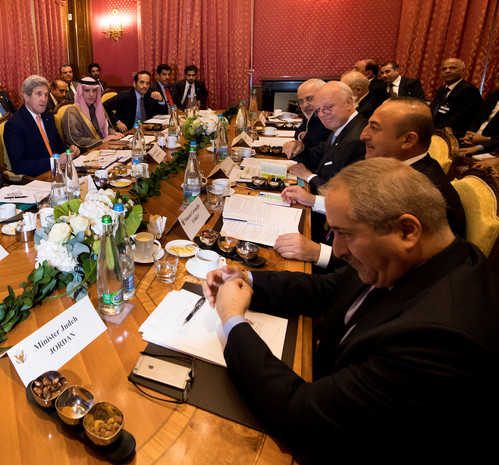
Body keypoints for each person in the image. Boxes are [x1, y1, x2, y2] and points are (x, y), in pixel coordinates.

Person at [203, 158, 499, 464]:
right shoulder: (424, 254)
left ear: (407, 230)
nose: (338, 250)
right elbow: (327, 288)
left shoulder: (440, 341)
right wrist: (246, 278)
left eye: (345, 234)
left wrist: (233, 320)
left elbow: (302, 418)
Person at [275, 97, 467, 268]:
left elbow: (387, 266)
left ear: (408, 140)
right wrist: (313, 201)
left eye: (374, 128)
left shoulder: (425, 197)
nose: (363, 135)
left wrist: (318, 253)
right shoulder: (394, 167)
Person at [287, 81, 366, 194]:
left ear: (349, 103)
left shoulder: (358, 139)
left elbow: (347, 194)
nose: (322, 114)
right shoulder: (342, 127)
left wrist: (309, 177)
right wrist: (300, 149)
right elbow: (318, 157)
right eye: (318, 110)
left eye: (328, 107)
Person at [3, 75, 80, 176]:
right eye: (39, 94)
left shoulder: (48, 117)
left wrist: (70, 151)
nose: (44, 99)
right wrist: (55, 161)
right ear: (26, 96)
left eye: (46, 95)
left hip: (60, 172)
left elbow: (59, 147)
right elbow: (19, 166)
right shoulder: (14, 124)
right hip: (37, 178)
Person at [62, 77, 123, 150]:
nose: (91, 94)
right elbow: (76, 140)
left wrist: (113, 133)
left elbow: (107, 127)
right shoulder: (72, 112)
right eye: (87, 90)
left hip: (104, 147)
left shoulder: (98, 108)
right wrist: (101, 142)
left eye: (94, 91)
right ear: (80, 92)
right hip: (87, 151)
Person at [430, 58, 482, 135]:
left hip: (454, 133)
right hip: (435, 130)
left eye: (452, 68)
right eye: (444, 69)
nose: (447, 71)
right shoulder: (440, 90)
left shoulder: (469, 90)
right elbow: (433, 110)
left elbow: (459, 118)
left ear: (463, 71)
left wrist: (434, 130)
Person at [282, 79, 331, 157]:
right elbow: (298, 132)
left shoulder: (327, 118)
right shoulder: (311, 114)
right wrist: (303, 134)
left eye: (310, 99)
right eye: (301, 101)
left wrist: (306, 135)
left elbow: (311, 140)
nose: (305, 105)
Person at [460, 79, 499, 156]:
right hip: (472, 141)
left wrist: (483, 141)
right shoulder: (494, 94)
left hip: (492, 148)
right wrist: (470, 135)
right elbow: (478, 119)